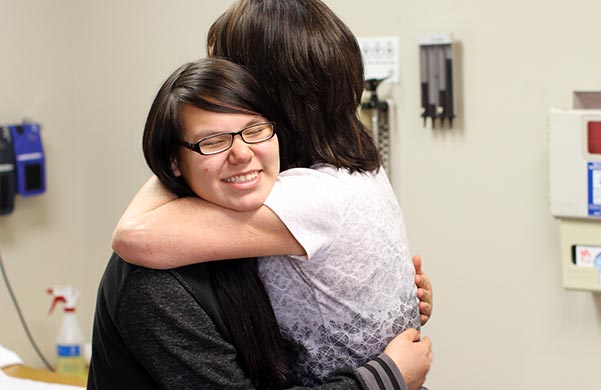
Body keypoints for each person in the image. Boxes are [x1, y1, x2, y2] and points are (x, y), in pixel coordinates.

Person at [113, 0, 425, 385]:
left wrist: (184, 156)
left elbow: (134, 235)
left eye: (228, 77)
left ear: (268, 96)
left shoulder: (306, 196)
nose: (219, 83)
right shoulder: (357, 163)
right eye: (213, 140)